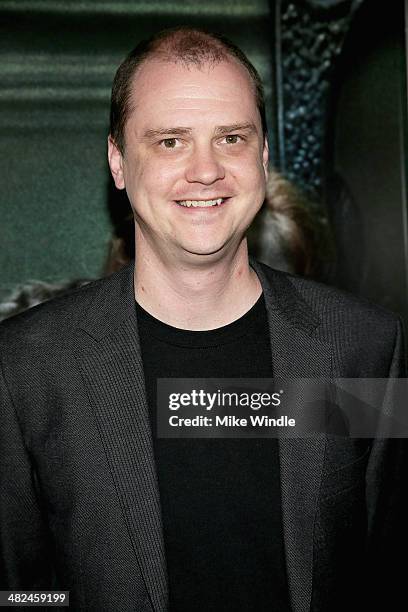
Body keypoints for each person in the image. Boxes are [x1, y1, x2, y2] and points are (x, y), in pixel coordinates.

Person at [0, 27, 406, 612]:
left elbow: (387, 578)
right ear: (117, 160)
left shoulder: (364, 348)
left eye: (232, 138)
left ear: (263, 157)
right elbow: (17, 591)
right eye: (169, 142)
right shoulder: (25, 368)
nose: (206, 170)